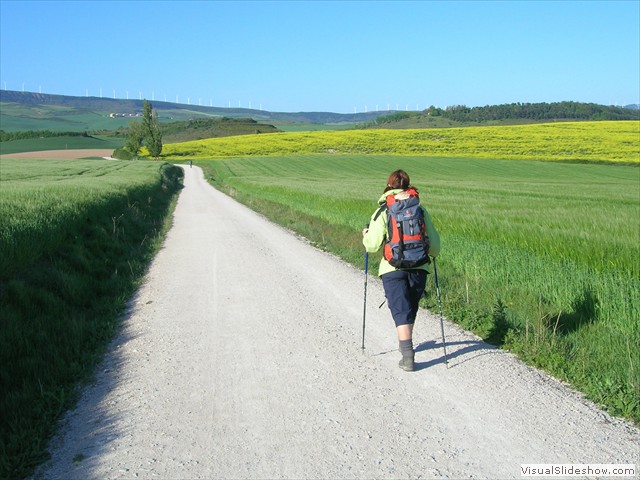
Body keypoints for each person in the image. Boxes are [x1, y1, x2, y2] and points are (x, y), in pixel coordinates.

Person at [362, 169, 441, 372]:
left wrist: (365, 234)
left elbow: (372, 245)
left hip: (392, 268)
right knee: (410, 307)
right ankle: (406, 345)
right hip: (419, 266)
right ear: (408, 186)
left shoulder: (384, 210)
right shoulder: (420, 210)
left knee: (400, 309)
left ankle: (408, 356)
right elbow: (435, 246)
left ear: (389, 186)